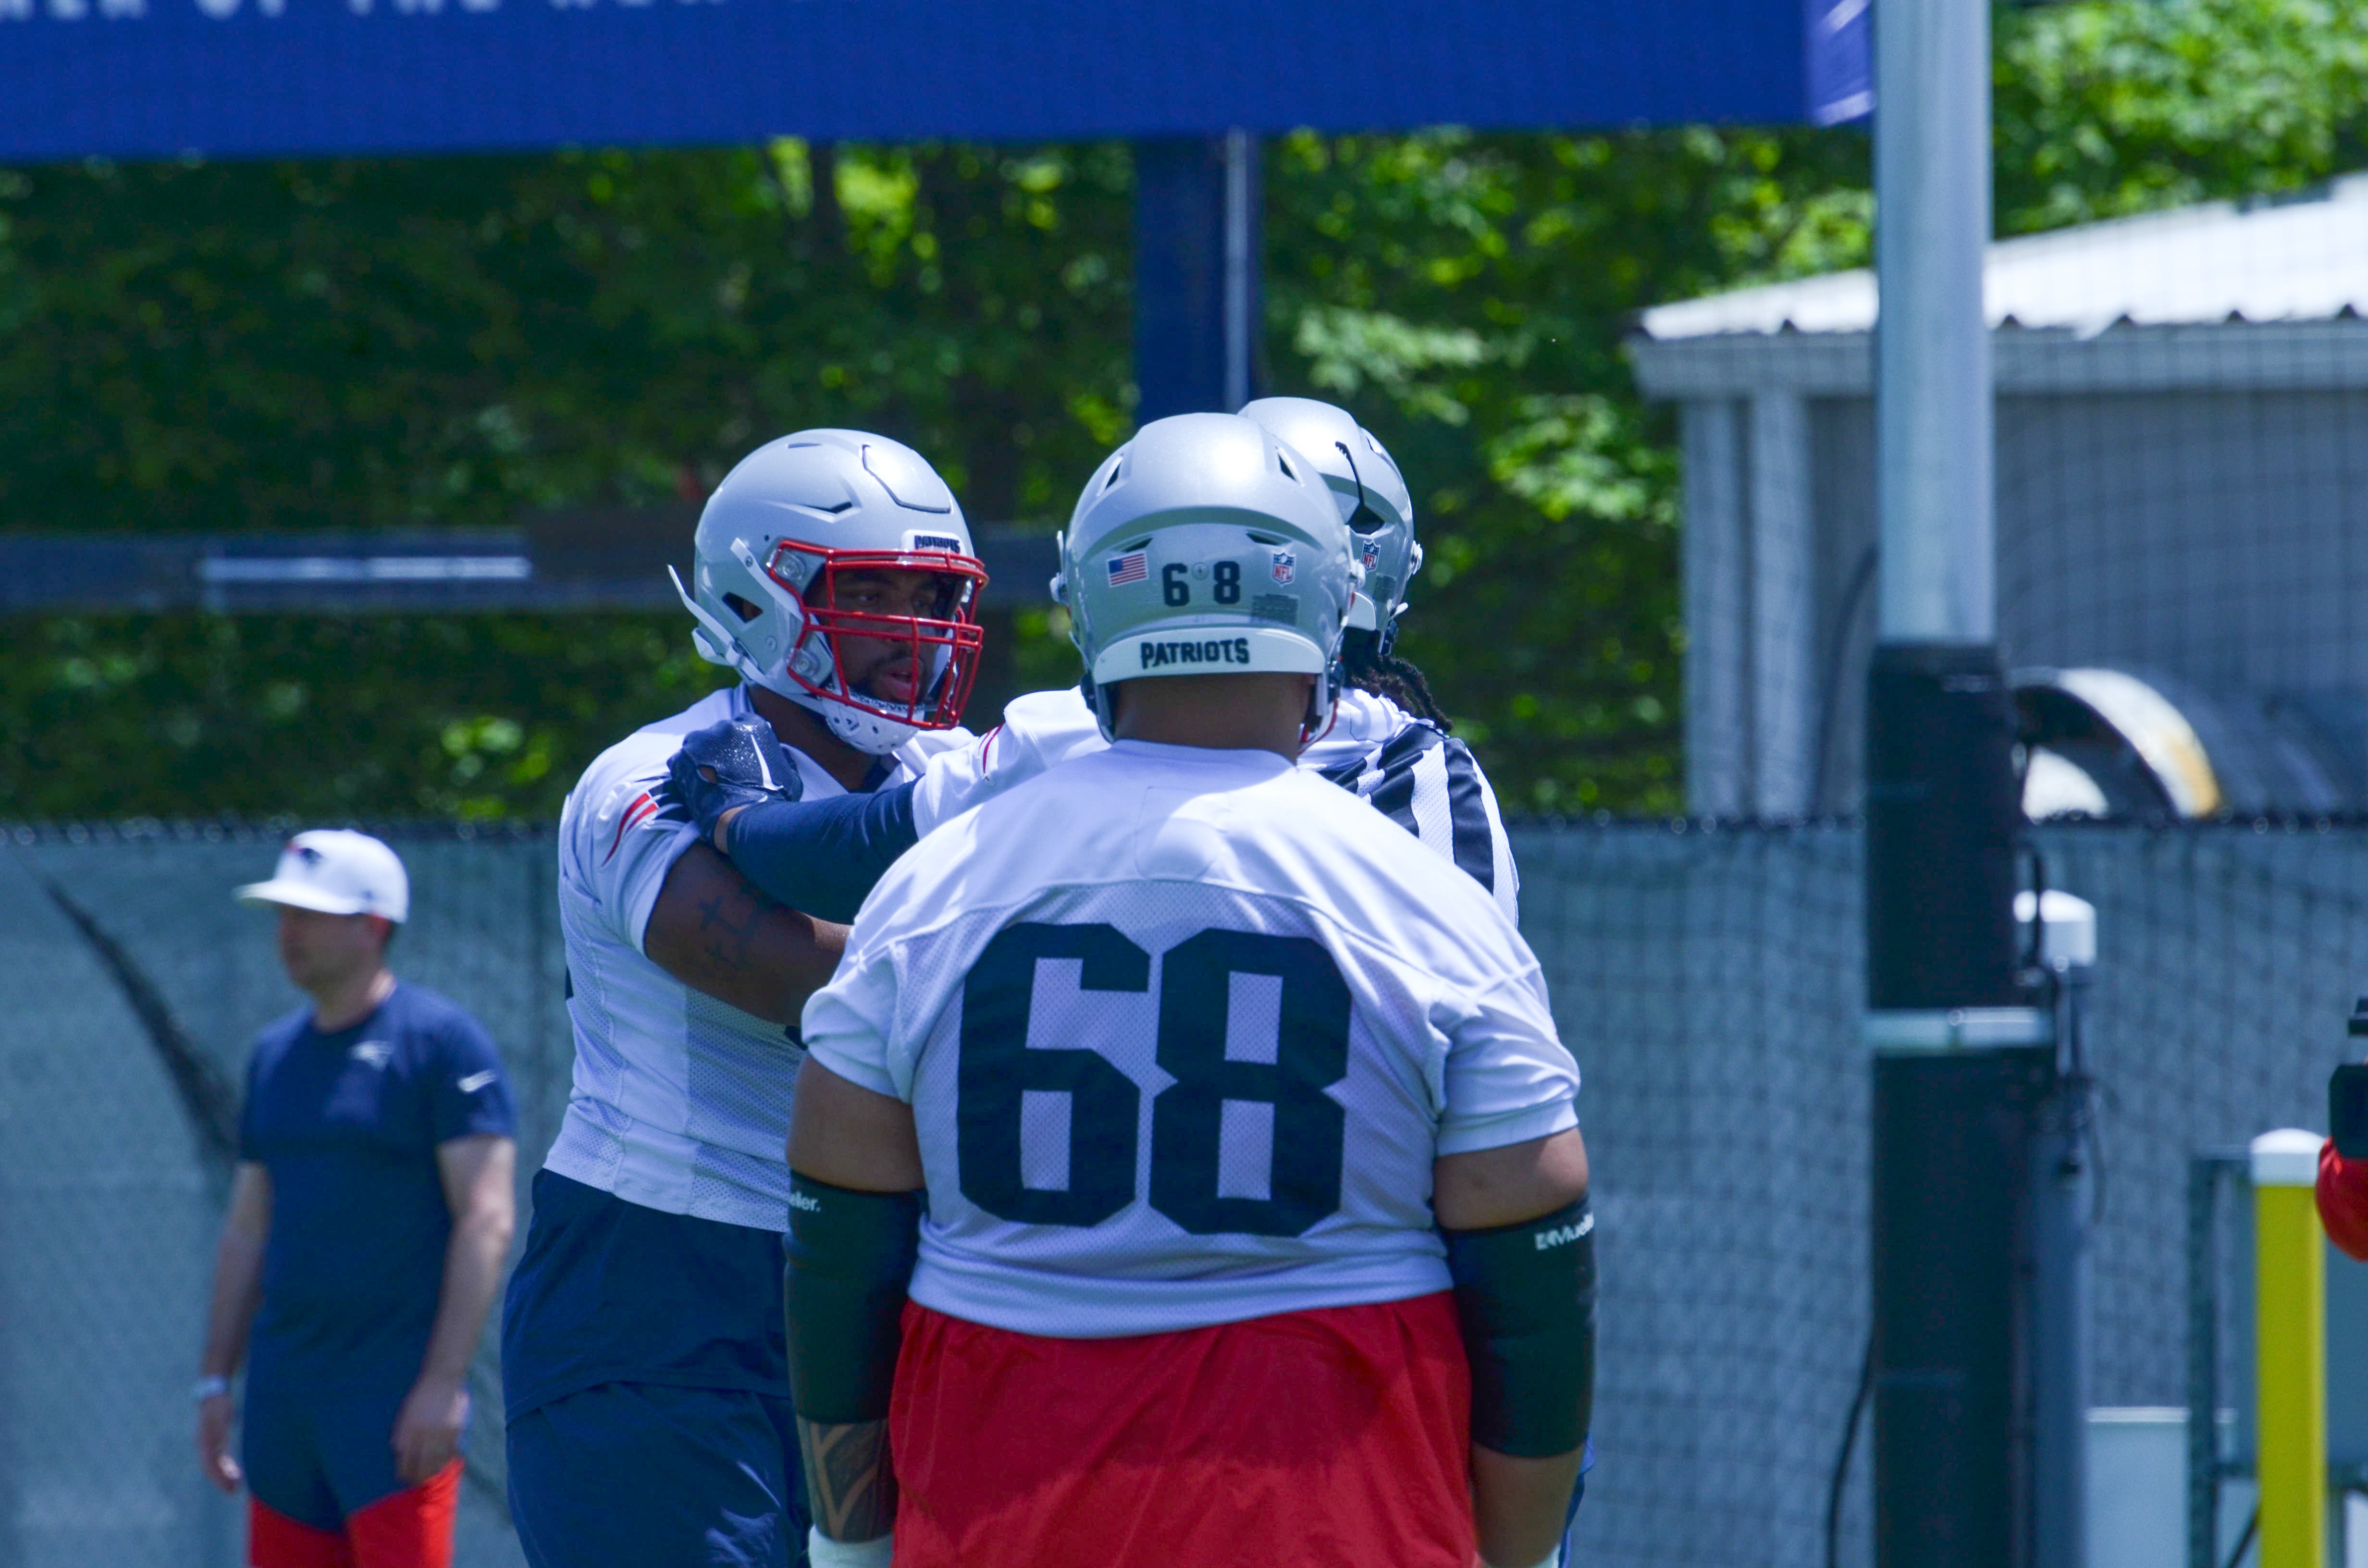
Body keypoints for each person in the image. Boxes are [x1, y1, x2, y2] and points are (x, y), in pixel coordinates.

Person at [783, 412, 1596, 1568]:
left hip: (1006, 1480)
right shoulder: (1424, 905)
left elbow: (837, 1253)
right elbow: (1535, 1275)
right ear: (1327, 603)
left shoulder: (934, 892)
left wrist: (849, 1540)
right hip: (1333, 1482)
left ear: (1095, 611)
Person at [500, 429, 990, 1568]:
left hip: (893, 1277)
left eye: (931, 594)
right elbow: (795, 975)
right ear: (753, 592)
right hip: (665, 1284)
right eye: (871, 592)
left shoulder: (946, 776)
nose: (907, 630)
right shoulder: (652, 776)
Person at [679, 395, 1521, 929]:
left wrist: (738, 817)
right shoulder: (1424, 774)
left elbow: (846, 862)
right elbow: (1472, 1029)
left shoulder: (1059, 735)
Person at [197, 830, 518, 1568]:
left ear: (373, 925)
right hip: (284, 1403)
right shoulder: (274, 1055)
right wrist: (216, 1378)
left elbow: (487, 1219)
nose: (288, 933)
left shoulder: (442, 1045)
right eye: (283, 914)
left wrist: (442, 1385)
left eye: (309, 915)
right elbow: (249, 1227)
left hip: (391, 1400)